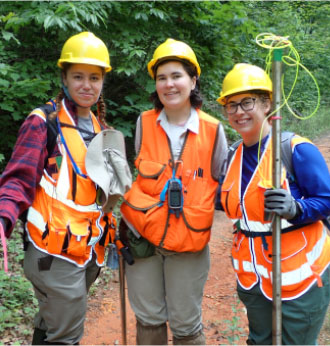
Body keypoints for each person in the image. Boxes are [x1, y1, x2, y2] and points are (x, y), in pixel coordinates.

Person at [0, 32, 119, 345]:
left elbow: (103, 194)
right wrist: (1, 218)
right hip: (52, 252)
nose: (86, 85)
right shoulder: (44, 122)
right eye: (78, 76)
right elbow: (19, 179)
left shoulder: (102, 128)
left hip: (88, 249)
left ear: (103, 81)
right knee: (66, 335)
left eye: (94, 77)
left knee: (50, 320)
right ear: (64, 76)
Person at [216, 63, 330, 345]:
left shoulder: (295, 149)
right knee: (259, 341)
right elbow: (231, 203)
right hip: (254, 278)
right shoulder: (232, 155)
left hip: (301, 278)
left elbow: (328, 201)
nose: (238, 112)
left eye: (247, 102)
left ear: (266, 103)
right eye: (231, 105)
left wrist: (297, 208)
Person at [119, 38, 228, 345]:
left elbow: (223, 187)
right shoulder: (143, 122)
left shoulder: (213, 130)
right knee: (149, 317)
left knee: (185, 322)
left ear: (193, 81)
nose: (169, 84)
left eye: (177, 76)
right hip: (143, 241)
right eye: (161, 77)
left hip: (189, 244)